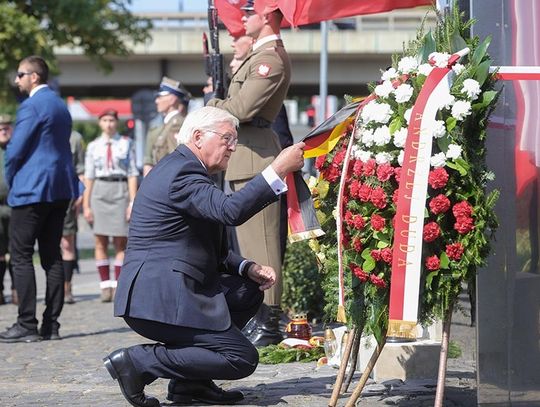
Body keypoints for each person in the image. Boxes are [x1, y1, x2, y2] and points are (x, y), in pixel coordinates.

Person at [102, 106, 304, 407]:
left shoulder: (189, 168)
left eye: (234, 140)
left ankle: (190, 387)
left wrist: (247, 267)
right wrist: (278, 169)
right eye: (227, 138)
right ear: (198, 137)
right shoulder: (182, 171)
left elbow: (210, 246)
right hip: (158, 298)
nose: (233, 146)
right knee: (241, 358)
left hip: (172, 288)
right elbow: (230, 211)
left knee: (246, 292)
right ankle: (139, 362)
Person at [207, 0, 291, 346]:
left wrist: (211, 106)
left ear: (268, 15)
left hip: (257, 159)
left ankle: (269, 324)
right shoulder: (259, 56)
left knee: (265, 247)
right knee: (252, 247)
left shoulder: (269, 59)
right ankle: (260, 316)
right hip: (248, 158)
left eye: (249, 10)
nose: (243, 17)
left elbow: (241, 108)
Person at [0, 56, 78, 343]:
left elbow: (15, 150)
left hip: (32, 189)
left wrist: (12, 179)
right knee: (51, 256)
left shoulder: (31, 105)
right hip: (59, 189)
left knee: (20, 255)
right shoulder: (60, 104)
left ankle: (26, 323)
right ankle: (51, 324)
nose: (16, 79)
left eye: (20, 74)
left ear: (34, 77)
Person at [83, 109, 138, 302]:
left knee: (120, 240)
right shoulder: (93, 146)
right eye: (105, 120)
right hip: (100, 190)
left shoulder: (125, 143)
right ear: (100, 123)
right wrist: (86, 204)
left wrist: (132, 201)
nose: (109, 124)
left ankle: (118, 286)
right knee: (100, 240)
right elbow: (89, 176)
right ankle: (105, 285)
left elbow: (132, 173)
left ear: (117, 122)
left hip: (119, 189)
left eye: (112, 120)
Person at [142, 77, 191, 176]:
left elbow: (177, 160)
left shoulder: (176, 125)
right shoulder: (168, 124)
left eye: (160, 97)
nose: (156, 101)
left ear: (172, 99)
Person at [61, 130, 85, 304]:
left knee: (67, 242)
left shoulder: (74, 138)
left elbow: (80, 168)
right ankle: (53, 287)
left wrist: (82, 194)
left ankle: (66, 287)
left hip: (67, 194)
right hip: (43, 194)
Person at [0, 114, 15, 306]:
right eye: (0, 127)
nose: (3, 131)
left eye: (6, 127)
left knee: (17, 251)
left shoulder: (17, 149)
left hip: (15, 207)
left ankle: (16, 289)